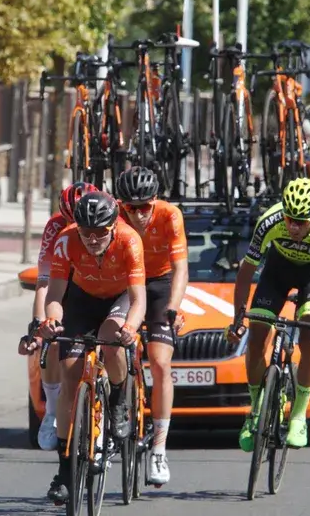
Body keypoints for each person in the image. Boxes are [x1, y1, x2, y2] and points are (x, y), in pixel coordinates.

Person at [35, 190, 146, 505]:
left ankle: (119, 398)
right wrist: (52, 321)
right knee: (70, 375)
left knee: (112, 342)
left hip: (119, 298)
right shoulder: (66, 241)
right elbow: (55, 295)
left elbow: (139, 299)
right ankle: (65, 469)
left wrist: (130, 329)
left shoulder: (129, 240)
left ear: (113, 226)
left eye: (100, 233)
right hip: (83, 301)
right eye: (87, 233)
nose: (93, 239)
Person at [224, 178, 310, 450]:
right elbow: (246, 273)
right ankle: (256, 410)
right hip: (277, 273)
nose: (293, 227)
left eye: (301, 222)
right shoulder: (269, 221)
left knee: (309, 336)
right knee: (256, 335)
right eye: (290, 219)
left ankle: (300, 415)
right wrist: (237, 318)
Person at [113, 167, 188, 486]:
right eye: (132, 208)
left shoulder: (170, 215)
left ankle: (159, 448)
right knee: (108, 344)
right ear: (121, 204)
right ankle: (109, 408)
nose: (140, 215)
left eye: (145, 207)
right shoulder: (113, 215)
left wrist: (173, 306)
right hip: (122, 283)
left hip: (158, 284)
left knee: (159, 363)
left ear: (155, 201)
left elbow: (181, 268)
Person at [18, 182, 98, 451]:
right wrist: (39, 325)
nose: (78, 230)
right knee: (50, 343)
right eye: (70, 221)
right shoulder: (54, 228)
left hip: (100, 285)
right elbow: (44, 282)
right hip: (65, 286)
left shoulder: (112, 220)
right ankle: (52, 412)